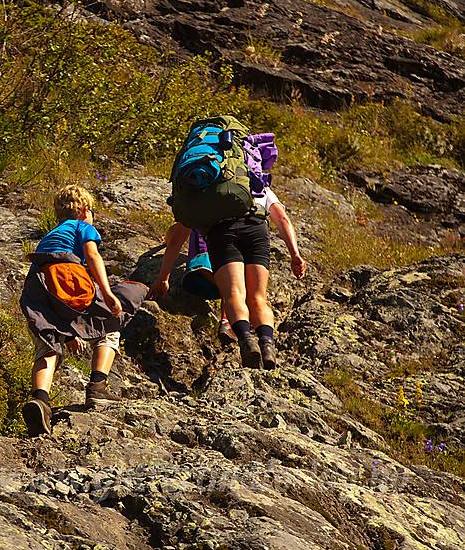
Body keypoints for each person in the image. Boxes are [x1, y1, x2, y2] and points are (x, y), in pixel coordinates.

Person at [19, 185, 147, 436]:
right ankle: (98, 387)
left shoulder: (50, 236)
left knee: (48, 343)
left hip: (37, 285)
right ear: (86, 210)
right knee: (111, 323)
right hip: (67, 276)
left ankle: (41, 401)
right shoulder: (83, 227)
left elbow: (60, 296)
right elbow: (92, 257)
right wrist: (108, 294)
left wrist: (69, 334)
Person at [148, 187, 305, 369]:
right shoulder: (255, 180)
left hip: (223, 231)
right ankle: (267, 344)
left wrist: (163, 277)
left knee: (234, 294)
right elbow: (283, 219)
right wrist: (295, 254)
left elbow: (176, 239)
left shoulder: (208, 185)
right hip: (256, 228)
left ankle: (246, 339)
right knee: (258, 297)